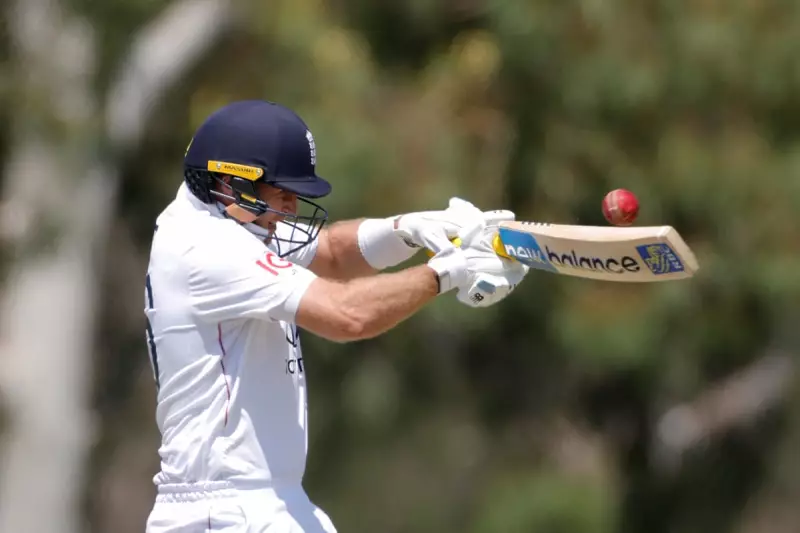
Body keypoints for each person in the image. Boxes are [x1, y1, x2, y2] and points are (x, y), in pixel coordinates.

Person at [143, 100, 529, 533]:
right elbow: (347, 315)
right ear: (232, 182)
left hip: (265, 503)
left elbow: (330, 251)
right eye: (282, 193)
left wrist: (409, 228)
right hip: (223, 511)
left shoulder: (232, 219)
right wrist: (446, 272)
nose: (290, 210)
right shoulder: (208, 247)